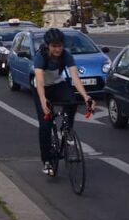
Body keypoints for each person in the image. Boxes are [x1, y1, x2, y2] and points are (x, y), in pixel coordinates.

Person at [33, 28, 96, 177]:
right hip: (42, 89)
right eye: (54, 46)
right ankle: (47, 160)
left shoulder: (66, 55)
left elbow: (75, 78)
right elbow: (40, 82)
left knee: (72, 102)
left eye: (60, 45)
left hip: (58, 84)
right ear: (48, 46)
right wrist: (43, 101)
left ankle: (67, 131)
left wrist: (86, 97)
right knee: (45, 125)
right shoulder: (40, 57)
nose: (58, 49)